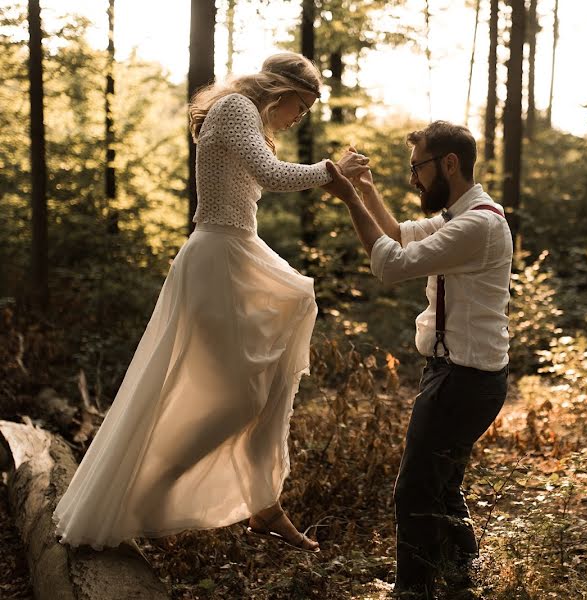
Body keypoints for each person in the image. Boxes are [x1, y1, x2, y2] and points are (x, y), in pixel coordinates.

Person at [52, 52, 369, 553]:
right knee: (240, 396)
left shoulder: (243, 115)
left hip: (237, 252)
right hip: (217, 258)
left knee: (264, 385)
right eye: (301, 106)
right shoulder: (236, 108)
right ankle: (151, 486)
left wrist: (332, 178)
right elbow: (271, 174)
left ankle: (265, 508)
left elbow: (261, 177)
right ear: (281, 89)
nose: (298, 118)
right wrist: (334, 170)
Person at [322, 121, 513, 598]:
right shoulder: (464, 216)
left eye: (418, 169)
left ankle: (413, 590)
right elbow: (401, 236)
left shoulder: (477, 224)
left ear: (449, 164)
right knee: (442, 487)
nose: (414, 181)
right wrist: (364, 191)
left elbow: (390, 264)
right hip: (464, 377)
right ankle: (461, 577)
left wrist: (348, 199)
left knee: (414, 491)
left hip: (463, 381)